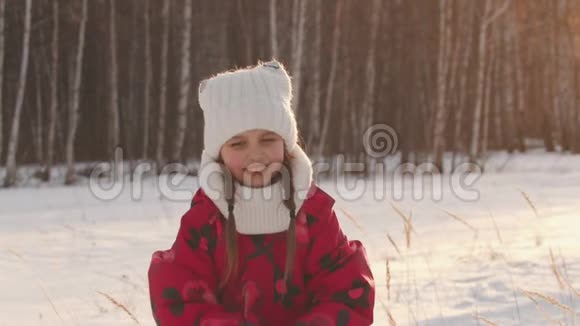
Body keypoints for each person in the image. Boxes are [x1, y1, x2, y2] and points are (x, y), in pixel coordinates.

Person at [148, 60, 375, 325]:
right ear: (219, 153)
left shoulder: (312, 213)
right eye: (238, 143)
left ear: (286, 143)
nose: (255, 154)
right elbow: (179, 297)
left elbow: (347, 291)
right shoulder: (205, 220)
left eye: (267, 139)